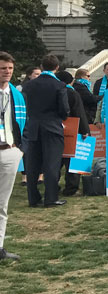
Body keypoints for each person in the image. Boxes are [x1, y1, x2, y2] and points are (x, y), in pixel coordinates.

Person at [21, 54, 70, 209]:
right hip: (52, 127)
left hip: (33, 125)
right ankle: (51, 197)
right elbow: (64, 109)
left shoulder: (29, 86)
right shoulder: (59, 86)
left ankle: (33, 198)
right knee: (51, 164)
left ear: (41, 67)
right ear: (57, 68)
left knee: (33, 164)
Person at [0, 52, 25, 261]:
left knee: (2, 203)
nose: (7, 72)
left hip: (9, 150)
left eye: (9, 68)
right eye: (2, 69)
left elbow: (24, 123)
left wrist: (20, 148)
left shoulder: (16, 94)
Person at [56, 70, 89, 197]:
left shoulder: (54, 92)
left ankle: (53, 186)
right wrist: (85, 130)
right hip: (72, 130)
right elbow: (79, 112)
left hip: (56, 130)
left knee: (56, 162)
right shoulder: (72, 93)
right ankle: (71, 188)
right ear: (71, 81)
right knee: (72, 162)